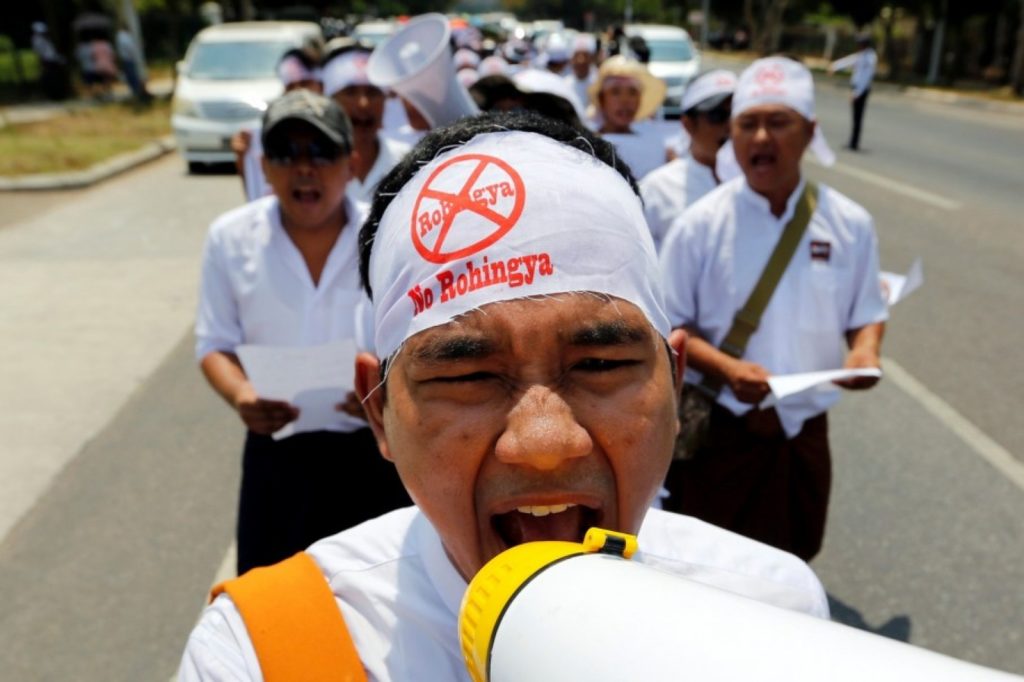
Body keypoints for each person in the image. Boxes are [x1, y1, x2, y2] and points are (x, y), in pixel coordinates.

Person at [179, 110, 830, 680]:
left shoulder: (772, 614)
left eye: (600, 363)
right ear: (380, 414)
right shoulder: (262, 654)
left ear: (673, 378)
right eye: (467, 377)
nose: (544, 446)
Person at [658, 57, 888, 561]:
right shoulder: (700, 225)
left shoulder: (850, 223)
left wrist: (865, 352)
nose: (761, 138)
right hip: (723, 430)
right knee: (715, 572)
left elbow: (866, 310)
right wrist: (727, 368)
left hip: (803, 433)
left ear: (809, 132)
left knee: (796, 558)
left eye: (778, 123)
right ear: (732, 138)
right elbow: (669, 325)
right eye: (747, 125)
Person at [194, 90, 412, 575]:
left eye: (321, 152)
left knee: (373, 601)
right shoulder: (230, 239)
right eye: (286, 153)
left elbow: (414, 340)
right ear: (265, 167)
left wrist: (386, 390)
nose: (304, 167)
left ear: (352, 163)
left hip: (372, 453)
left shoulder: (387, 237)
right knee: (271, 603)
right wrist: (242, 395)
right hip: (277, 454)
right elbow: (213, 342)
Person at [639, 69, 737, 251]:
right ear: (688, 124)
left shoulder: (762, 186)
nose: (730, 125)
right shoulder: (658, 189)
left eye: (737, 114)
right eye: (718, 116)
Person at [321, 44, 411, 204]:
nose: (363, 103)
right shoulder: (313, 168)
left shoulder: (407, 161)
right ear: (330, 101)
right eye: (350, 92)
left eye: (373, 92)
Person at [231, 48, 324, 201]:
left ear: (321, 85)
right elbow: (257, 199)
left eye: (305, 83)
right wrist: (243, 161)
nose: (298, 92)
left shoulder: (343, 131)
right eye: (291, 86)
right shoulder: (269, 134)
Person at [587, 55, 669, 180]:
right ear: (601, 99)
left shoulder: (655, 143)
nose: (625, 101)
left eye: (632, 92)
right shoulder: (585, 145)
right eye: (615, 92)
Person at [829, 34, 877, 151]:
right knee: (855, 118)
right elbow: (850, 61)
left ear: (864, 45)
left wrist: (856, 93)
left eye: (860, 44)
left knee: (858, 118)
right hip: (857, 89)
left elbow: (866, 77)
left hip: (861, 90)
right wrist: (835, 66)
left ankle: (854, 143)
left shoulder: (870, 58)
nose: (858, 46)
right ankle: (852, 142)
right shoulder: (862, 55)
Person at [31, 22, 68, 101]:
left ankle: (59, 95)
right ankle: (54, 96)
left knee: (56, 78)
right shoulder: (37, 40)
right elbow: (41, 53)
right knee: (52, 79)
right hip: (48, 62)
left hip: (52, 61)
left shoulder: (45, 39)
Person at [115, 23, 150, 102]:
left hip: (128, 58)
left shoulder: (121, 36)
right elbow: (129, 47)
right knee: (132, 75)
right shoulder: (123, 36)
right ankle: (136, 91)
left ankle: (136, 91)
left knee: (132, 75)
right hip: (129, 58)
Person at [564, 33, 597, 112]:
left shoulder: (600, 83)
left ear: (592, 57)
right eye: (577, 55)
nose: (581, 60)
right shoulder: (564, 85)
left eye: (585, 55)